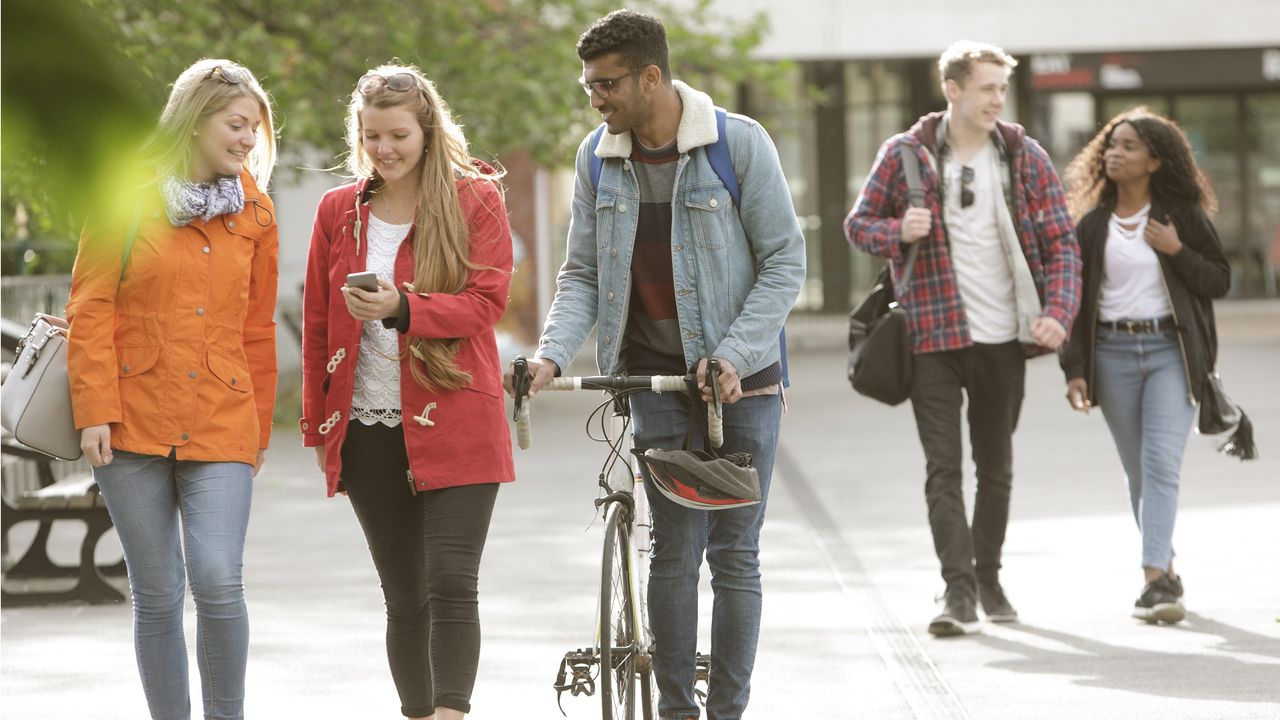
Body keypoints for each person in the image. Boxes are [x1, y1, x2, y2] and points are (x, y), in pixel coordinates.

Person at [506, 10, 805, 719]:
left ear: (650, 77)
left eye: (606, 85)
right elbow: (581, 275)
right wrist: (551, 354)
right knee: (674, 549)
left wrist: (732, 354)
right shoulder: (596, 157)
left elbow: (785, 262)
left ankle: (727, 710)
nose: (595, 100)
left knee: (735, 556)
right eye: (588, 87)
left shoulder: (738, 145)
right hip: (655, 381)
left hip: (747, 382)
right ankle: (677, 712)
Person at [845, 40, 1081, 637]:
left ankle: (989, 575)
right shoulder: (905, 155)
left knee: (995, 468)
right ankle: (958, 591)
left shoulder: (1023, 157)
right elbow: (858, 225)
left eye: (1002, 88)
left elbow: (1062, 244)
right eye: (986, 88)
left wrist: (1058, 311)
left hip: (1004, 337)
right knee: (943, 469)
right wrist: (899, 229)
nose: (997, 99)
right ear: (953, 89)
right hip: (933, 335)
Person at [300, 64, 514, 720]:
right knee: (404, 594)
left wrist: (404, 309)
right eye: (372, 137)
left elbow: (486, 303)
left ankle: (451, 712)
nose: (385, 150)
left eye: (398, 135)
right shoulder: (338, 210)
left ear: (427, 130)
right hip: (365, 427)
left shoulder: (476, 198)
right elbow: (315, 322)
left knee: (452, 580)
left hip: (459, 419)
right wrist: (316, 427)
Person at [66, 58, 278, 719]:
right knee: (157, 592)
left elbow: (258, 329)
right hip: (129, 420)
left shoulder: (257, 213)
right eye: (236, 124)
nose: (247, 139)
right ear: (195, 118)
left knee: (218, 579)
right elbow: (91, 304)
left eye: (254, 129)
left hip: (222, 420)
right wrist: (94, 409)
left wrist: (258, 431)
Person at [1060, 108, 1230, 624]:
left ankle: (1154, 579)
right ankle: (1169, 569)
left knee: (1160, 466)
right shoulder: (1091, 227)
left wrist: (1177, 251)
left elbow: (1219, 280)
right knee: (1138, 473)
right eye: (1111, 145)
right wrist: (1074, 369)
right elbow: (1075, 300)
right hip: (1110, 355)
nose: (1115, 153)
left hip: (1168, 354)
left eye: (1129, 146)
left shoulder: (1180, 217)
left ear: (1156, 160)